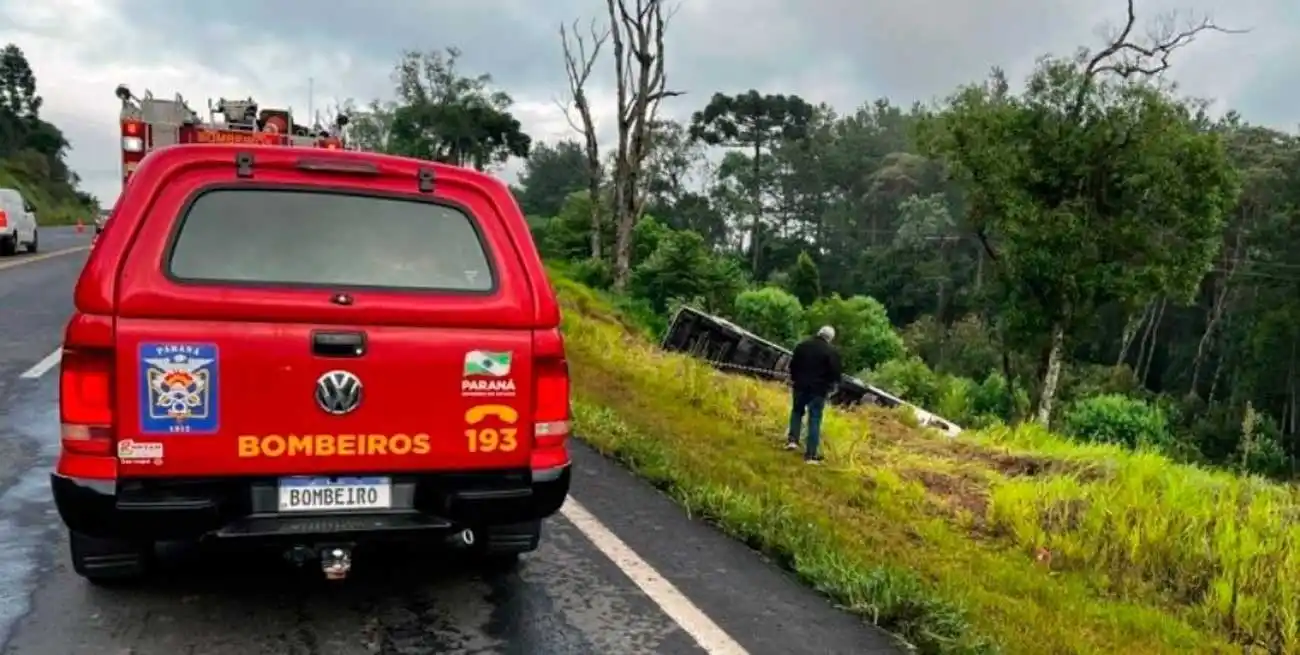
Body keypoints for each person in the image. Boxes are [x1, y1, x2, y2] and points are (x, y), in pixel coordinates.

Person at [785, 325, 842, 464]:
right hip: (818, 391)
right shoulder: (831, 352)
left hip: (800, 385)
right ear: (830, 338)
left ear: (818, 333)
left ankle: (792, 440)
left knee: (797, 411)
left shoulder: (803, 346)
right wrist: (831, 387)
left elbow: (792, 365)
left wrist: (794, 378)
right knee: (814, 419)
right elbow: (835, 373)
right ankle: (810, 455)